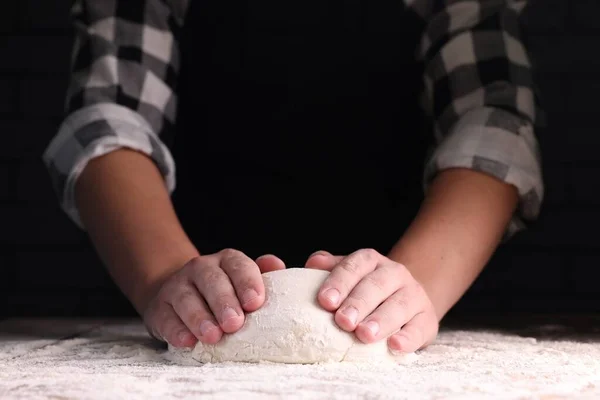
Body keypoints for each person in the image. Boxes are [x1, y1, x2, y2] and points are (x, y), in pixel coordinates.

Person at [43, 0, 543, 354]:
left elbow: (490, 122)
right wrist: (161, 278)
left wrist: (414, 291)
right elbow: (107, 117)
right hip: (184, 272)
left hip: (407, 249)